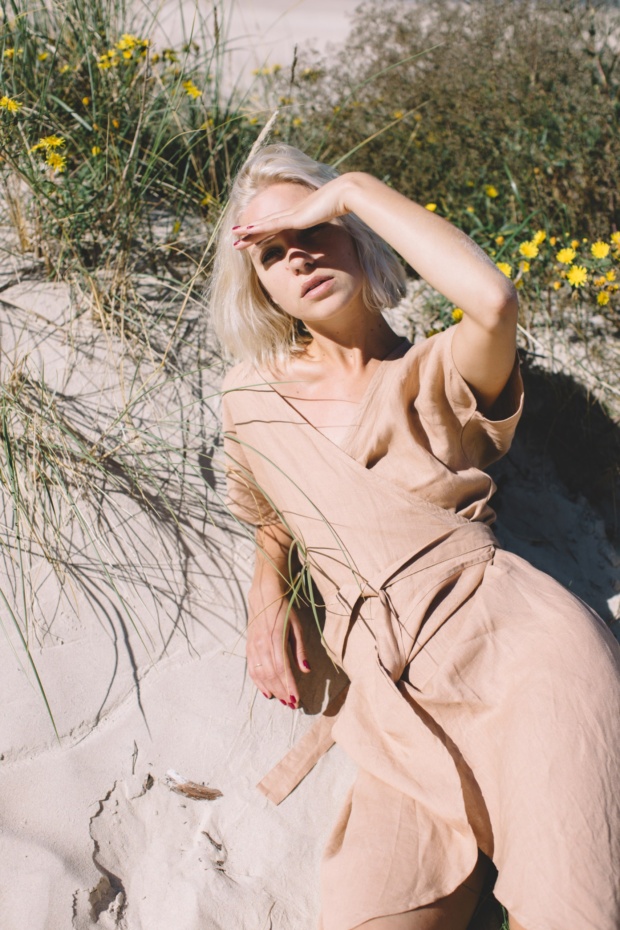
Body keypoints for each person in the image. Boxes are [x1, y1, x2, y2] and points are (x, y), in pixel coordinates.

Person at [210, 144, 620, 930]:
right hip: (388, 705)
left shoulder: (438, 370)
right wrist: (269, 588)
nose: (299, 253)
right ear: (259, 284)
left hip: (521, 655)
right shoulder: (249, 400)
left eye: (317, 228)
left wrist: (351, 188)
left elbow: (494, 301)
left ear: (357, 235)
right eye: (271, 249)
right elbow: (265, 503)